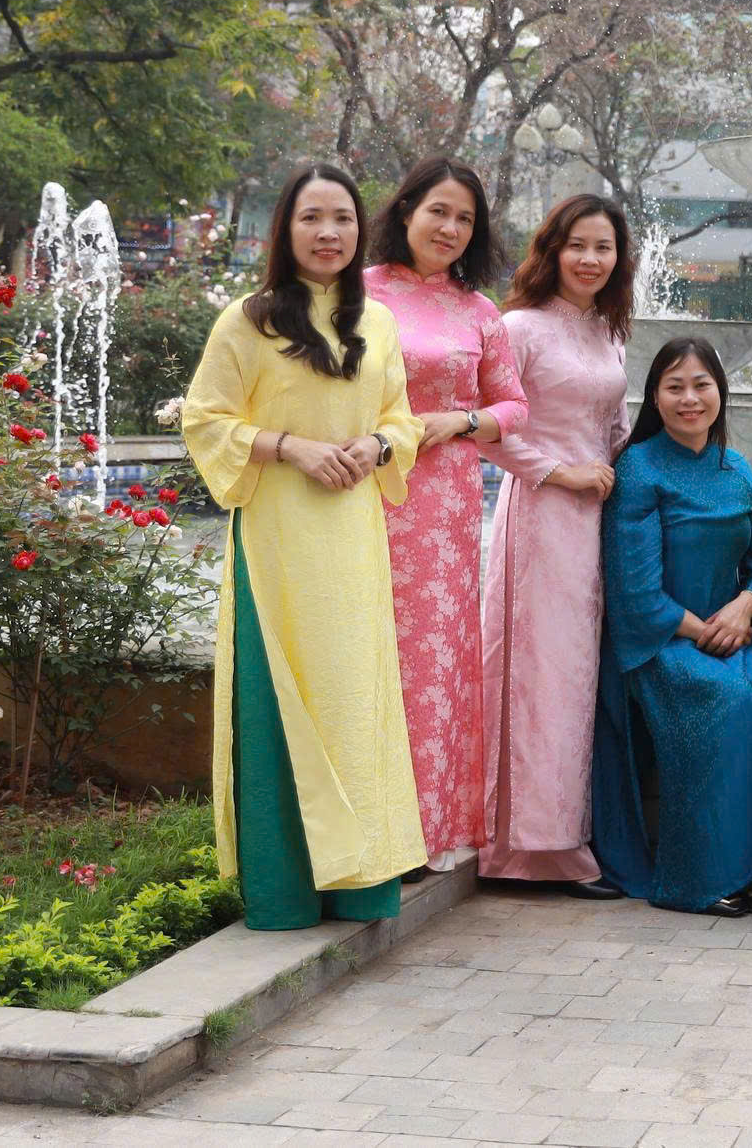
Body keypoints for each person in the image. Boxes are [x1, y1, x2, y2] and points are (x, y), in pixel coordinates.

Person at [183, 163, 427, 929]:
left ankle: (360, 881)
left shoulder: (378, 321)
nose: (329, 232)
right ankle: (285, 891)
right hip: (278, 540)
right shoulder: (247, 321)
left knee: (356, 701)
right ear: (284, 229)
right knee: (279, 704)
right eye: (312, 217)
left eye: (343, 218)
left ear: (361, 230)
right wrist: (290, 446)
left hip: (353, 540)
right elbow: (204, 418)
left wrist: (376, 446)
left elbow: (402, 418)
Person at [590, 339, 752, 916]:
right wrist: (699, 630)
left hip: (736, 629)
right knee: (725, 699)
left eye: (701, 385)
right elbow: (635, 593)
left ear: (720, 393)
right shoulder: (638, 468)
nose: (690, 398)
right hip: (660, 638)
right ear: (655, 397)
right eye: (675, 387)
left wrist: (745, 606)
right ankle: (701, 877)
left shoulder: (736, 468)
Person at [364, 157, 526, 874]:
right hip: (366, 490)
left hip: (446, 506)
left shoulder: (479, 310)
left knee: (434, 656)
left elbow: (513, 407)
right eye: (438, 211)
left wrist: (459, 421)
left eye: (465, 218)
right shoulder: (357, 292)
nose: (450, 228)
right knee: (369, 647)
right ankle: (364, 823)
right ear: (406, 211)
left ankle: (427, 827)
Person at [483, 194, 631, 890]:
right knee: (540, 673)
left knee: (579, 676)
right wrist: (558, 471)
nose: (590, 259)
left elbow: (615, 429)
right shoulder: (520, 328)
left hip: (598, 520)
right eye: (578, 245)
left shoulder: (609, 331)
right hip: (540, 516)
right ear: (552, 249)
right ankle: (525, 847)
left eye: (604, 247)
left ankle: (569, 834)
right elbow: (489, 430)